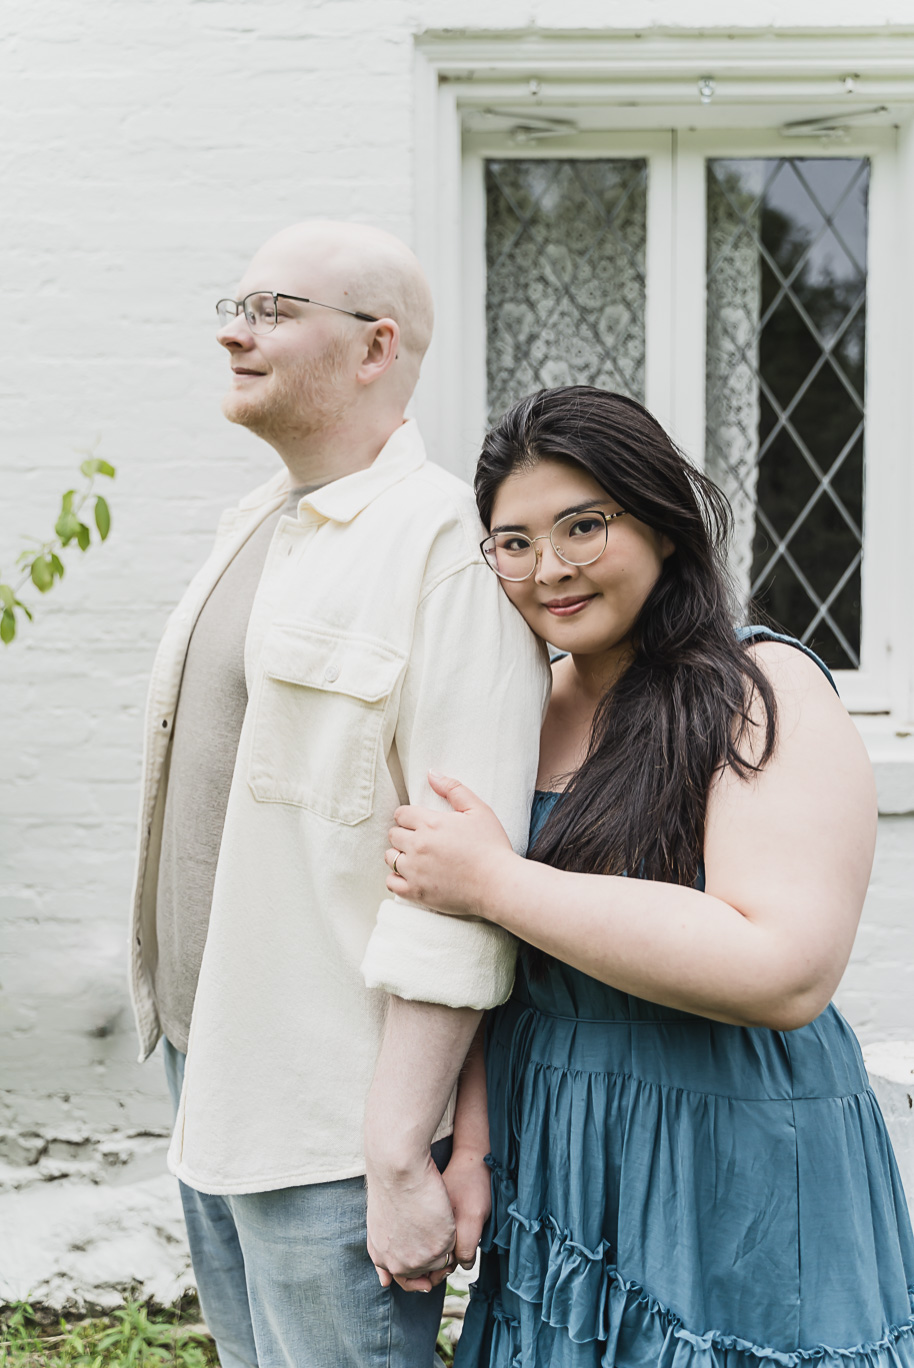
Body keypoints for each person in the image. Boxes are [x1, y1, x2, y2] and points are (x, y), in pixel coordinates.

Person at [385, 386, 914, 1368]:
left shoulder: (759, 688)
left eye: (582, 525)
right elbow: (469, 954)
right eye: (511, 541)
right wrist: (459, 1136)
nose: (548, 569)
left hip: (724, 1147)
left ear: (663, 523)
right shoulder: (516, 706)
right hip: (553, 1137)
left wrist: (495, 880)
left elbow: (782, 967)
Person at [127, 220, 549, 1368]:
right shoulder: (264, 524)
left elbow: (462, 881)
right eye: (236, 302)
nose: (232, 329)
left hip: (328, 1117)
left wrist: (401, 1153)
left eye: (270, 310)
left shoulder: (443, 557)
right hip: (208, 1071)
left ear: (373, 350)